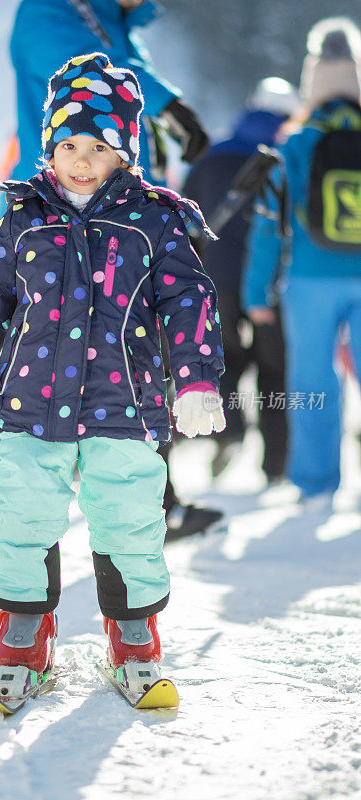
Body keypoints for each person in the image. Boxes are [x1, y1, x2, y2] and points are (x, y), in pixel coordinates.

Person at [0, 53, 225, 695]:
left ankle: (134, 630)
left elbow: (188, 299)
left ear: (125, 153)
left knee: (129, 517)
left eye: (98, 145)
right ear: (49, 148)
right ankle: (25, 631)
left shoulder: (154, 220)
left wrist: (198, 380)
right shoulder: (24, 216)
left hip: (126, 405)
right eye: (68, 143)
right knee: (22, 515)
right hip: (30, 406)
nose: (81, 159)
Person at [243, 18, 361, 509]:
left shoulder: (295, 144)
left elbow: (269, 225)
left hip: (308, 279)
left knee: (312, 379)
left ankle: (316, 484)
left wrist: (255, 293)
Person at [183, 78, 300, 482]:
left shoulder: (211, 156)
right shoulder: (285, 158)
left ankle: (229, 432)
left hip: (215, 279)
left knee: (224, 362)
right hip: (268, 283)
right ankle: (276, 465)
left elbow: (185, 220)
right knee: (274, 370)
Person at [7, 0, 209, 188]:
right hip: (64, 205)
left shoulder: (115, 26)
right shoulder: (47, 8)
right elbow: (85, 73)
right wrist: (167, 106)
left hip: (123, 203)